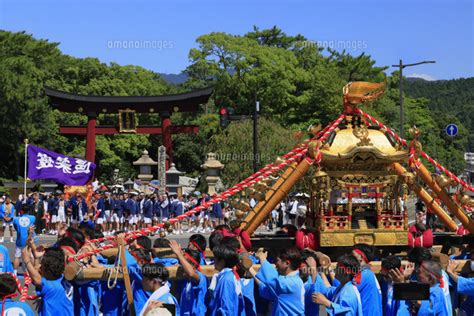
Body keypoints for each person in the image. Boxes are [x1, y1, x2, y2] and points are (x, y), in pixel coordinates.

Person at [249, 247, 305, 315]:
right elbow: (266, 290)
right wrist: (250, 269)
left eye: (277, 261)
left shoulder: (292, 282)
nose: (275, 264)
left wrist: (263, 259)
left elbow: (271, 279)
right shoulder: (288, 282)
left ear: (287, 263)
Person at [22, 246, 74, 316]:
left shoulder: (51, 286)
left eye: (42, 266)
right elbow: (37, 273)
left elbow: (36, 279)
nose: (39, 268)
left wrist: (27, 260)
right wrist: (37, 258)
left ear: (47, 270)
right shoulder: (64, 279)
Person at [169, 240, 207, 316]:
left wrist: (179, 254)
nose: (181, 265)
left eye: (183, 263)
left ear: (193, 265)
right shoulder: (184, 280)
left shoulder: (200, 277)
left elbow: (191, 273)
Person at [208, 244, 244, 315]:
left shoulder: (226, 279)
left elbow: (226, 308)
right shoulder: (227, 276)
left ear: (222, 261)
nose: (213, 261)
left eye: (215, 258)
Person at [351, 244, 382, 316]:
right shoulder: (368, 273)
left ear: (361, 257)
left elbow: (345, 291)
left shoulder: (364, 275)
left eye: (352, 256)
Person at [299, 249, 326, 316]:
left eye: (310, 265)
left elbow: (320, 301)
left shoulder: (317, 279)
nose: (310, 268)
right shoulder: (295, 280)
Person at [12, 204, 36, 272]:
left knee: (17, 257)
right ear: (28, 211)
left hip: (20, 240)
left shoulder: (16, 219)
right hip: (30, 240)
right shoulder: (33, 218)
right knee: (31, 256)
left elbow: (16, 228)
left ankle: (15, 273)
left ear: (21, 211)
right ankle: (33, 271)